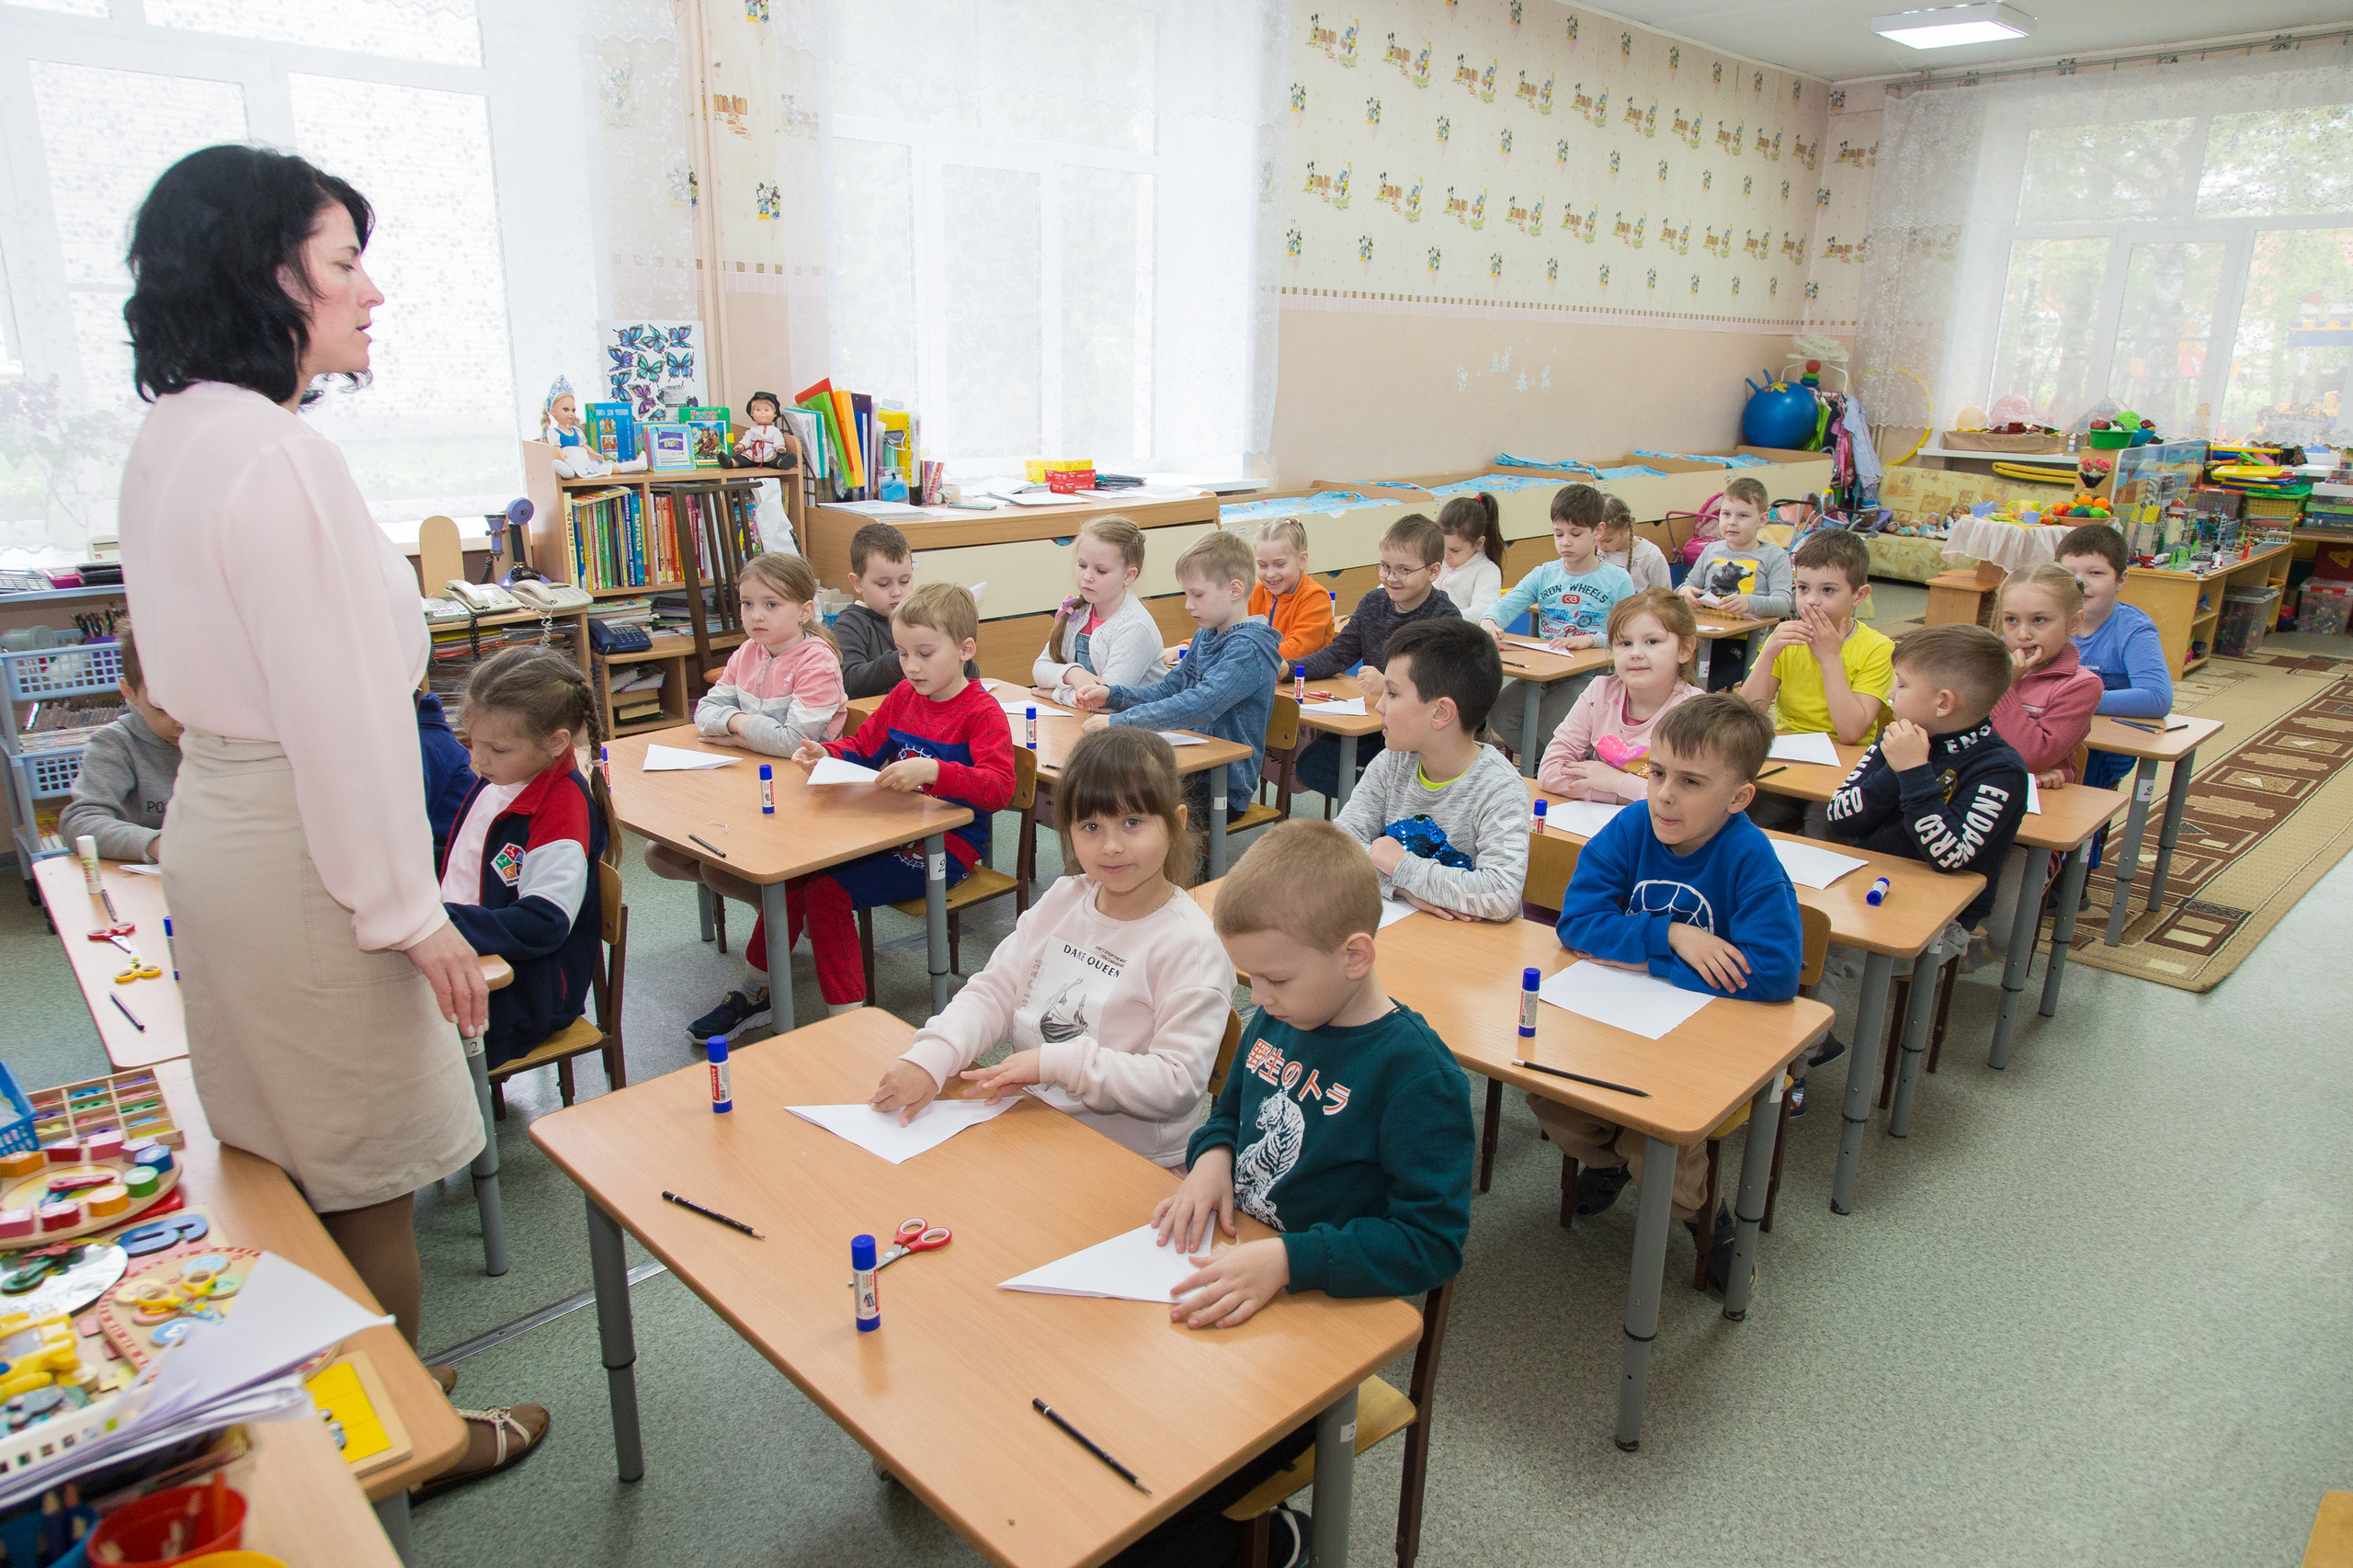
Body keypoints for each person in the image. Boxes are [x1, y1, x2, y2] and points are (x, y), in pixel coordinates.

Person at [117, 143, 540, 1490]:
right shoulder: (278, 454)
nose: (373, 293)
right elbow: (343, 718)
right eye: (346, 262)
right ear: (267, 275)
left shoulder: (175, 430)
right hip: (311, 844)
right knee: (362, 1166)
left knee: (278, 1144)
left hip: (226, 823)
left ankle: (364, 1382)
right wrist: (410, 914)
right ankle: (402, 1448)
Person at [1125, 819, 1472, 1565]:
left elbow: (1433, 1244)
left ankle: (1269, 1538)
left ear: (1354, 956)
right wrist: (1213, 1157)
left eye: (1274, 979)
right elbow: (1226, 1115)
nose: (1259, 997)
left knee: (1152, 1495)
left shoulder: (1417, 1078)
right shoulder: (1278, 1019)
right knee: (1116, 1420)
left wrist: (1290, 1263)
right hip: (1233, 1280)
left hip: (1311, 1326)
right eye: (1249, 978)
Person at [870, 729, 1233, 1168]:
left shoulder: (1190, 947)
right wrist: (932, 1056)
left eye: (1132, 823)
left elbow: (1176, 1084)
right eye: (1091, 827)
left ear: (1175, 823)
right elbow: (997, 991)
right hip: (1035, 1122)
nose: (1112, 846)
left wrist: (1056, 1063)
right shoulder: (1066, 898)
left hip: (1131, 1161)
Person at [1543, 693, 1801, 1278]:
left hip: (1704, 1042)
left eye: (1690, 781)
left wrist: (1641, 955)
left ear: (1739, 798)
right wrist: (1674, 939)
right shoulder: (1633, 825)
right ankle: (1611, 1163)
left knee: (1653, 1142)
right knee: (1552, 1100)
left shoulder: (1749, 857)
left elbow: (1775, 971)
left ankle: (1704, 1216)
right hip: (1617, 1018)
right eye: (1656, 773)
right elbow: (1578, 923)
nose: (1663, 794)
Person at [777, 584, 1016, 1015]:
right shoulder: (904, 696)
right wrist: (825, 753)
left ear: (965, 649)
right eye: (903, 654)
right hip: (889, 829)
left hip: (947, 849)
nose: (911, 667)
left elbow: (1000, 788)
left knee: (825, 893)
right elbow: (864, 747)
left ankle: (847, 1018)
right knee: (793, 875)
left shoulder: (982, 713)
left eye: (925, 653)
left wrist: (936, 772)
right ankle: (757, 986)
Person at [642, 551, 847, 1040]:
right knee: (658, 854)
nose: (756, 615)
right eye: (747, 603)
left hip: (809, 798)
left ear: (804, 609)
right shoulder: (748, 654)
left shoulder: (817, 661)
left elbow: (795, 741)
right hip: (752, 783)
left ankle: (780, 928)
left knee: (716, 865)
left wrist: (735, 727)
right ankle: (778, 912)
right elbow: (705, 712)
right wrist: (747, 727)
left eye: (771, 604)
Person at [1813, 625, 2029, 1062]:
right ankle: (1794, 1045)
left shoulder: (2000, 769)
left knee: (1821, 951)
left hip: (1940, 921)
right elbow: (1840, 816)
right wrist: (1898, 767)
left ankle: (1796, 1067)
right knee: (1786, 928)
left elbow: (1949, 856)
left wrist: (1914, 772)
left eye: (1903, 684)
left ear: (1943, 702)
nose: (1891, 694)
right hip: (1865, 887)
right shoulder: (1899, 737)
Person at [437, 648, 606, 1070]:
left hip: (529, 995)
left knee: (399, 1041)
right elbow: (468, 859)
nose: (476, 760)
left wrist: (444, 923)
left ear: (555, 743)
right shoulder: (505, 775)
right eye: (472, 742)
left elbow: (543, 923)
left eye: (496, 748)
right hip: (483, 961)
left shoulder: (561, 808)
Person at [1074, 530, 1281, 847]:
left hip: (1224, 784)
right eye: (1187, 594)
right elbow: (1169, 690)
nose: (1188, 605)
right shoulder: (1206, 635)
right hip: (1188, 767)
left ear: (1235, 590)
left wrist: (1119, 722)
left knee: (1133, 807)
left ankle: (1175, 874)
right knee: (1115, 794)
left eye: (1197, 595)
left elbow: (1201, 704)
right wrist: (1114, 694)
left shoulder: (1249, 649)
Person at [1332, 619, 1528, 921]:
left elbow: (1500, 893)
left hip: (1472, 951)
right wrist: (1403, 887)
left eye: (1393, 694)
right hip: (1403, 927)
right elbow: (1339, 847)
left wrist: (1401, 867)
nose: (1379, 706)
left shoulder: (1499, 788)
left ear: (1441, 713)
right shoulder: (1391, 763)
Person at [1293, 513, 1461, 802]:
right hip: (1374, 723)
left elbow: (1444, 689)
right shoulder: (1373, 603)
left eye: (1403, 570)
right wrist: (1288, 669)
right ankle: (1385, 801)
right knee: (1311, 768)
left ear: (1433, 571)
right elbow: (1338, 653)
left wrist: (1388, 685)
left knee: (1395, 775)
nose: (1391, 578)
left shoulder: (1444, 619)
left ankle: (1394, 805)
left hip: (1418, 732)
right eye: (1385, 567)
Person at [1982, 563, 2103, 962]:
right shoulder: (1979, 664)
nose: (2023, 633)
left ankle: (1972, 954)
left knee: (2005, 932)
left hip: (2032, 826)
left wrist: (2005, 688)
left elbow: (2030, 755)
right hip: (1972, 802)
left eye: (2040, 621)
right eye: (2012, 620)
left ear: (2074, 622)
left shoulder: (2081, 685)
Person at [1738, 528, 1892, 832]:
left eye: (1828, 591)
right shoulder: (1788, 638)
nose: (1811, 602)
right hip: (1787, 756)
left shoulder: (1877, 648)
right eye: (1803, 588)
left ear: (1859, 595)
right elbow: (1745, 715)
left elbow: (1850, 732)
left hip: (1844, 764)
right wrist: (1769, 653)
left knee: (1821, 828)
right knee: (1740, 818)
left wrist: (1830, 659)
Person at [1480, 483, 1636, 759]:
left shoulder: (1617, 579)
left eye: (1576, 534)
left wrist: (1591, 639)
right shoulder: (1545, 574)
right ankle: (1542, 761)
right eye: (1559, 533)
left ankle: (1555, 761)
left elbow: (1627, 634)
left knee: (1549, 716)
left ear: (1597, 531)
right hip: (1547, 672)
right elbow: (1506, 605)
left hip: (1592, 675)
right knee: (1500, 710)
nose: (1565, 542)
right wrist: (1490, 621)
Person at [1538, 588, 1704, 804]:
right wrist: (1621, 796)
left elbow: (1687, 798)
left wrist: (1616, 782)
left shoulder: (1694, 711)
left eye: (1652, 641)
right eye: (1624, 643)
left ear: (1685, 649)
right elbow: (1550, 773)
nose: (1635, 653)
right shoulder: (1600, 692)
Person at [2058, 522, 2173, 794]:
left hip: (2102, 749)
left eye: (2095, 573)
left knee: (2080, 764)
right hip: (2050, 732)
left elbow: (2157, 698)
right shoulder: (2046, 619)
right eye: (2068, 573)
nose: (2081, 583)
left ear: (2121, 580)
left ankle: (2086, 836)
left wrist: (2072, 702)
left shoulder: (2134, 629)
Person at [59, 625, 180, 864]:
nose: (180, 722)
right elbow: (80, 822)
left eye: (191, 706)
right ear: (129, 692)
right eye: (162, 709)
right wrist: (157, 845)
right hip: (150, 879)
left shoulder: (230, 736)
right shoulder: (116, 743)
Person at [835, 521, 977, 699]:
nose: (897, 592)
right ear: (857, 583)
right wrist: (903, 658)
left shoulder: (924, 620)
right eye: (883, 584)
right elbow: (847, 683)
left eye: (904, 581)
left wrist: (955, 656)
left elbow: (971, 676)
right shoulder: (849, 626)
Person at [1032, 516, 1163, 706]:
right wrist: (1073, 674)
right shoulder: (1077, 613)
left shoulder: (1135, 628)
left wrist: (1056, 694)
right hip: (1085, 718)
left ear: (1128, 576)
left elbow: (1105, 699)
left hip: (1131, 730)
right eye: (1082, 565)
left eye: (1101, 570)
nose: (1087, 577)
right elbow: (1040, 668)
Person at [1679, 476, 1791, 690]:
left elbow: (1783, 603)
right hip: (1702, 637)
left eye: (1743, 516)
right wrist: (1685, 591)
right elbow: (1686, 586)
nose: (1731, 522)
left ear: (1763, 519)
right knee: (1670, 673)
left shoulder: (1775, 557)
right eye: (1726, 514)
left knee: (1703, 682)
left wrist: (1749, 602)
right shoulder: (1711, 550)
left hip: (1743, 644)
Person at [1243, 515, 1336, 666]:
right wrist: (1189, 644)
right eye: (1263, 565)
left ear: (1301, 560)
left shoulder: (1315, 597)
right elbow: (1228, 631)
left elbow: (1297, 649)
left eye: (1279, 564)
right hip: (1264, 673)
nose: (1270, 574)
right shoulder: (1255, 591)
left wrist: (1243, 654)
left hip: (1307, 682)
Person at [415, 688, 476, 862]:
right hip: (444, 846)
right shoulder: (424, 730)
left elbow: (411, 821)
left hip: (450, 853)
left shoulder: (422, 743)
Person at [1434, 492, 1505, 624]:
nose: (1445, 555)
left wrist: (1442, 619)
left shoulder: (1487, 570)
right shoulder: (1433, 560)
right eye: (1441, 546)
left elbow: (1483, 611)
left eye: (1455, 550)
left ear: (1478, 543)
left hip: (1463, 637)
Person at [1598, 495, 1672, 592]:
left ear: (1626, 527)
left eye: (1608, 540)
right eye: (1595, 540)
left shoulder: (1651, 557)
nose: (1600, 546)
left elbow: (1664, 597)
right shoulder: (1594, 552)